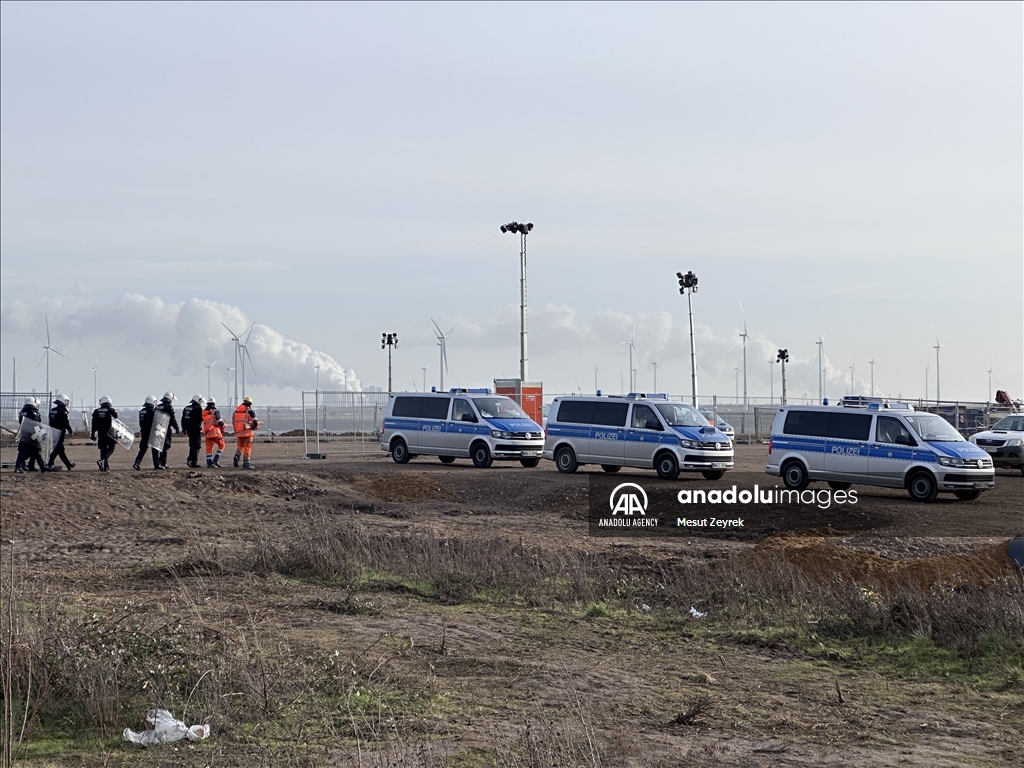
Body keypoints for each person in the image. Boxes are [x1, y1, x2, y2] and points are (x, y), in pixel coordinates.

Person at [14, 397, 47, 473]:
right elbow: (36, 424)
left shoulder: (22, 412)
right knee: (36, 450)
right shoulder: (33, 412)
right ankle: (42, 467)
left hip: (24, 433)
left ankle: (21, 466)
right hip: (33, 434)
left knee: (26, 451)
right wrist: (42, 432)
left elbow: (21, 422)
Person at [46, 393, 75, 471]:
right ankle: (49, 464)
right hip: (60, 432)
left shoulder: (52, 411)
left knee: (61, 450)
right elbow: (65, 422)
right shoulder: (63, 411)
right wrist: (70, 431)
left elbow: (50, 422)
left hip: (53, 431)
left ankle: (68, 465)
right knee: (57, 449)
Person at [90, 396, 118, 471]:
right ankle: (103, 460)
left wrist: (92, 434)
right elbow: (116, 417)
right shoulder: (111, 410)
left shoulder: (96, 411)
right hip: (110, 432)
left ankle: (105, 467)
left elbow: (94, 424)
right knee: (111, 447)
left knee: (103, 449)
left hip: (101, 433)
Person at [154, 392, 180, 469]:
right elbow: (172, 418)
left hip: (157, 428)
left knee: (158, 446)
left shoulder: (158, 406)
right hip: (166, 429)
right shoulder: (169, 407)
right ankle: (163, 463)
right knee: (165, 446)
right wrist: (176, 427)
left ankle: (157, 463)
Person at [232, 396, 259, 469]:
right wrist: (253, 426)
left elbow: (233, 422)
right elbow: (255, 422)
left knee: (240, 446)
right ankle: (246, 465)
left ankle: (237, 456)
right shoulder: (250, 411)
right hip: (247, 433)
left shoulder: (236, 411)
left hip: (238, 432)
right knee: (247, 448)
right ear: (250, 404)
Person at [133, 396, 159, 470]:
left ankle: (137, 463)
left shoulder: (142, 411)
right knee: (155, 449)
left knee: (143, 449)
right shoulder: (152, 411)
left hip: (144, 432)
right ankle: (156, 465)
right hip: (151, 432)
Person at [181, 394, 206, 468]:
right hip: (195, 429)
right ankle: (193, 461)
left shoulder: (186, 408)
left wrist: (184, 428)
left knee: (192, 445)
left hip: (188, 429)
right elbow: (201, 419)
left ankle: (190, 459)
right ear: (199, 400)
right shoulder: (198, 408)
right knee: (196, 446)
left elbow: (183, 419)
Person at [202, 398, 226, 467]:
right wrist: (223, 424)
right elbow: (220, 422)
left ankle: (209, 464)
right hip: (215, 433)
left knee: (209, 448)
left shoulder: (203, 413)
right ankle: (216, 460)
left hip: (207, 433)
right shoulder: (215, 411)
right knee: (222, 445)